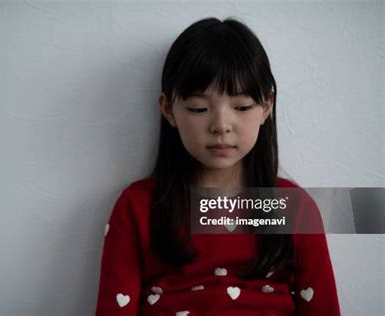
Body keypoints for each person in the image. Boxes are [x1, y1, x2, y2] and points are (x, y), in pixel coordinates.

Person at [95, 17, 341, 315]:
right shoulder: (138, 208)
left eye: (241, 107)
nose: (221, 125)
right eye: (199, 108)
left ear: (266, 108)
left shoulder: (293, 208)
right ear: (168, 109)